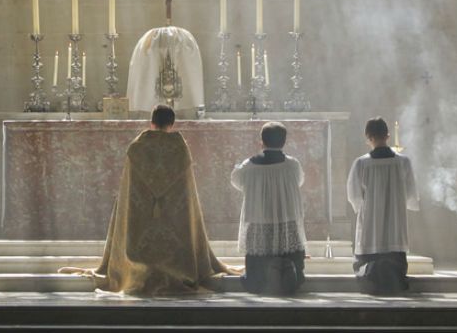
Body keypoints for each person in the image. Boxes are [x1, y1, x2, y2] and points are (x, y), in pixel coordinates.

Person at [60, 104, 233, 294]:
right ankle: (177, 269)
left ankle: (135, 270)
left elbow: (129, 186)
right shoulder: (179, 148)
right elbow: (186, 188)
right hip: (173, 212)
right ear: (172, 124)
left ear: (151, 123)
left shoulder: (137, 147)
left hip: (141, 212)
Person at [231, 122, 307, 296]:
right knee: (289, 250)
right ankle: (291, 279)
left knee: (258, 259)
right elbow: (299, 181)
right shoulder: (292, 165)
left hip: (258, 219)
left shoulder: (249, 165)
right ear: (284, 142)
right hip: (286, 217)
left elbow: (236, 181)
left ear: (261, 142)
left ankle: (259, 282)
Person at [347, 117, 419, 295]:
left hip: (370, 225)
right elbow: (411, 194)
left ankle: (371, 280)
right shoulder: (403, 162)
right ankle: (394, 281)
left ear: (368, 137)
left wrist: (362, 207)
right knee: (395, 259)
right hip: (395, 223)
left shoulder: (361, 163)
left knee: (367, 260)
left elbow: (354, 195)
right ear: (387, 136)